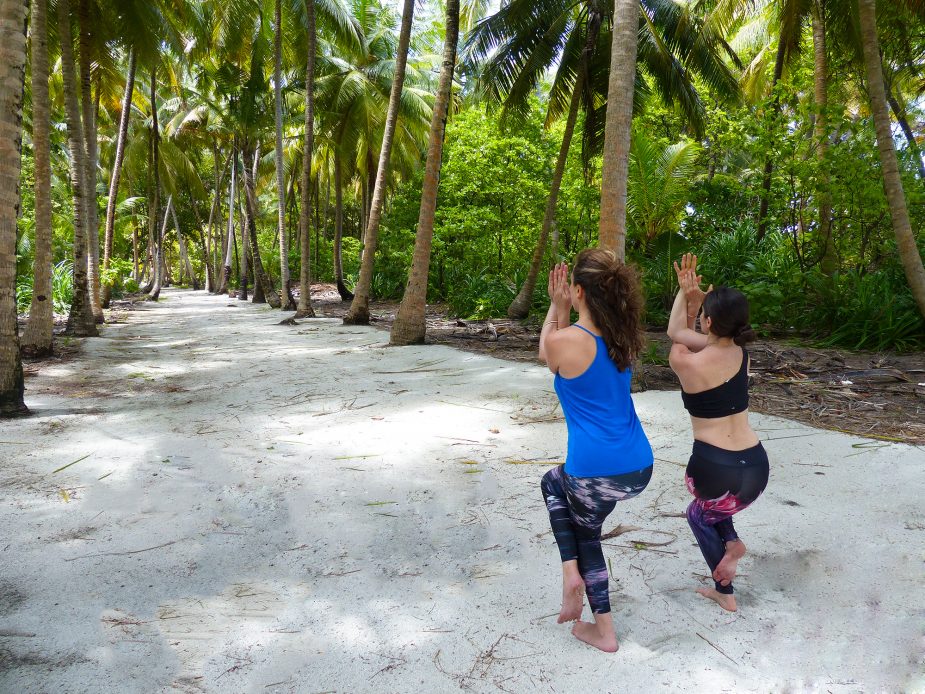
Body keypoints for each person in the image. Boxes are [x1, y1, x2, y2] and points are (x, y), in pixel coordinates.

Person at [538, 249, 654, 653]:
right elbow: (560, 351)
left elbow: (546, 352)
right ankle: (571, 568)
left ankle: (602, 629)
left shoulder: (566, 341)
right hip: (639, 467)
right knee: (553, 482)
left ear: (580, 292)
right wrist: (566, 311)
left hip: (594, 473)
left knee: (586, 534)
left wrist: (556, 307)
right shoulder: (623, 340)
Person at [666, 253, 769, 612]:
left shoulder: (686, 361)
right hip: (756, 467)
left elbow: (675, 333)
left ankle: (724, 591)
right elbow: (699, 337)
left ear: (707, 321)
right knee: (716, 504)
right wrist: (698, 307)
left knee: (698, 512)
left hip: (713, 467)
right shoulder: (742, 354)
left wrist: (686, 296)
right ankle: (731, 541)